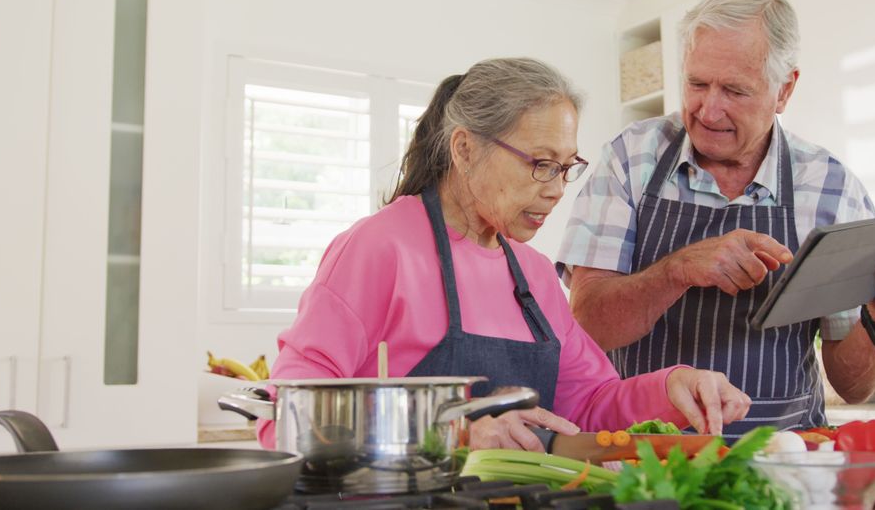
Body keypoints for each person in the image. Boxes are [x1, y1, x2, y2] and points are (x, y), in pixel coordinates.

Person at [258, 57, 753, 451]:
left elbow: (589, 403)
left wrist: (672, 387)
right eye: (540, 164)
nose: (557, 190)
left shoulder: (534, 275)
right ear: (465, 149)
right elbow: (286, 418)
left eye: (566, 167)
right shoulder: (379, 249)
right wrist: (450, 435)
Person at [557, 0, 875, 439]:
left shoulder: (830, 188)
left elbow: (852, 385)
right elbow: (589, 324)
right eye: (697, 83)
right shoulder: (630, 159)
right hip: (642, 458)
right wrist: (677, 270)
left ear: (785, 90)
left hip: (787, 460)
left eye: (735, 91)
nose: (708, 110)